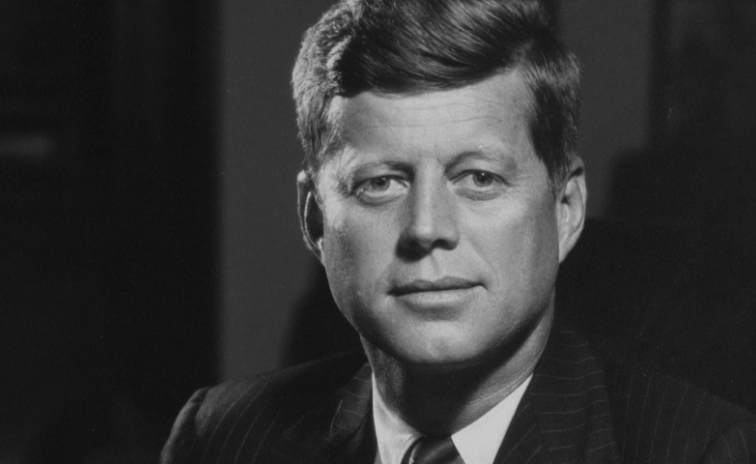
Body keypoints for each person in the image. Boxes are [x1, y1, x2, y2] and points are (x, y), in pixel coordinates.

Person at [161, 0, 756, 463]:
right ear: (315, 219)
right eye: (380, 183)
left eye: (479, 179)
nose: (427, 229)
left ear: (566, 209)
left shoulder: (701, 452)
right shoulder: (220, 437)